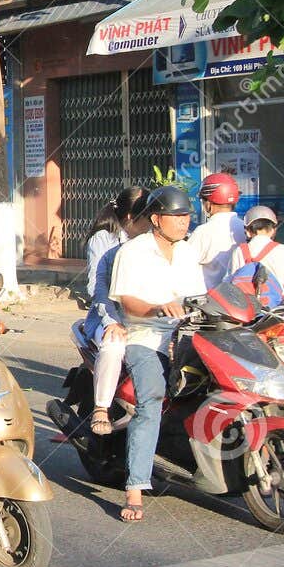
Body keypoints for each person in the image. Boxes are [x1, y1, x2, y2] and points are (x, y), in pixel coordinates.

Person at [108, 186, 205, 524]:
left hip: (187, 335)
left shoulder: (188, 252)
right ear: (156, 218)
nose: (184, 221)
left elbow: (200, 298)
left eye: (187, 215)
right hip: (145, 336)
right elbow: (127, 302)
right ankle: (135, 487)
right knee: (150, 402)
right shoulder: (132, 252)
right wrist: (155, 310)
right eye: (177, 216)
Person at [82, 188, 150, 436]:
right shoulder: (104, 240)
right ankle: (102, 407)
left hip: (150, 316)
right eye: (147, 219)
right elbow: (95, 287)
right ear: (131, 218)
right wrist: (113, 320)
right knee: (113, 345)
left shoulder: (153, 241)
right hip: (110, 315)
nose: (152, 224)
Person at [228, 205, 284, 296]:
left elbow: (231, 283)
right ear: (273, 230)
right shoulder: (283, 251)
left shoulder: (239, 252)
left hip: (246, 306)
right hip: (276, 306)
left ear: (248, 232)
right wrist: (276, 286)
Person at [190, 172, 247, 290]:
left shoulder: (203, 232)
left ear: (208, 204)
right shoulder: (246, 229)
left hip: (209, 302)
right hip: (240, 299)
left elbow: (183, 265)